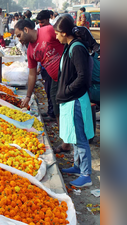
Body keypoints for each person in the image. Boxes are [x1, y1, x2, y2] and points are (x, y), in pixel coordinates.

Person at [14, 19, 71, 153]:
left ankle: (76, 142)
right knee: (57, 109)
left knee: (72, 109)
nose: (19, 40)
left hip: (68, 75)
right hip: (55, 79)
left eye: (19, 35)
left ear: (26, 29)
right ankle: (66, 143)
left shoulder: (48, 31)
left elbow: (67, 39)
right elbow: (32, 74)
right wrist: (28, 96)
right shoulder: (30, 51)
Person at [53, 15, 94, 187]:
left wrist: (68, 90)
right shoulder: (70, 46)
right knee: (75, 136)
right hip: (72, 98)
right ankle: (78, 166)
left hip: (76, 99)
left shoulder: (76, 48)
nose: (55, 36)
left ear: (63, 33)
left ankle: (86, 174)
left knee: (81, 137)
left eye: (57, 33)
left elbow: (82, 76)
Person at [35, 10, 55, 118]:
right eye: (39, 22)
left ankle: (52, 113)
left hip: (51, 67)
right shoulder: (40, 32)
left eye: (42, 22)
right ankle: (50, 111)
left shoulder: (53, 32)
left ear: (48, 20)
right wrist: (39, 65)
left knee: (51, 90)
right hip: (44, 67)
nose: (40, 24)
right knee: (47, 89)